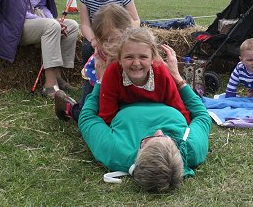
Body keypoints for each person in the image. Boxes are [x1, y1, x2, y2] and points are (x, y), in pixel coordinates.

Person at [77, 44, 211, 193]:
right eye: (168, 138)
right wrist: (177, 77)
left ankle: (69, 107)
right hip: (164, 95)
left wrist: (100, 81)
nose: (158, 131)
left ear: (137, 158)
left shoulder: (116, 152)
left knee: (79, 110)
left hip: (121, 99)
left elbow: (87, 118)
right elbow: (202, 114)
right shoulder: (193, 149)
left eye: (147, 139)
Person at [78, 0, 140, 105]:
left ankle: (122, 87)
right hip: (97, 35)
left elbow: (135, 20)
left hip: (120, 36)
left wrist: (121, 37)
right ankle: (91, 83)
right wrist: (94, 40)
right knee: (87, 49)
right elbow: (85, 24)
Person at [56, 4, 134, 122]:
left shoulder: (132, 47)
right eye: (104, 40)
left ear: (127, 32)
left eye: (113, 39)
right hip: (96, 77)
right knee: (88, 113)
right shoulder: (102, 53)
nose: (109, 45)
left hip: (117, 88)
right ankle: (69, 107)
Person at [98, 27, 191, 125]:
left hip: (158, 123)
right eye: (129, 57)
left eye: (143, 57)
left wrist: (185, 127)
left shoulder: (161, 74)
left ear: (152, 59)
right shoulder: (112, 73)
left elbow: (178, 108)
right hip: (128, 125)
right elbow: (107, 117)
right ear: (119, 59)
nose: (136, 63)